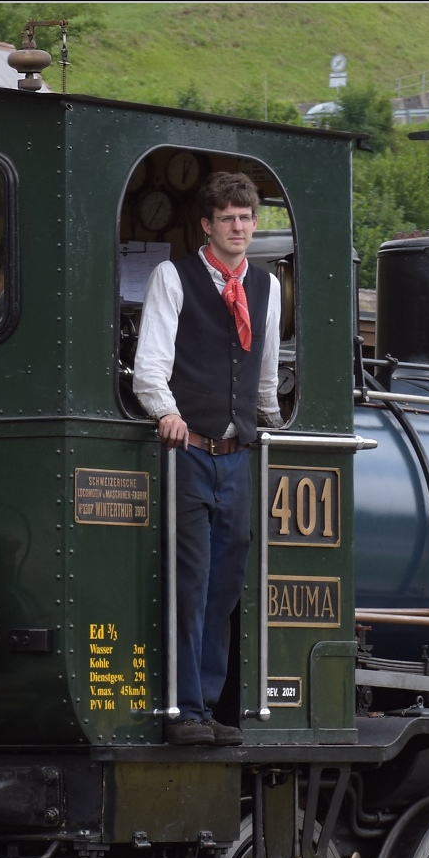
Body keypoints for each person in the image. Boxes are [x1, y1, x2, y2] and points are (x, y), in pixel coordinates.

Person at [133, 171, 282, 745]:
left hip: (236, 455)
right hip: (189, 451)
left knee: (224, 588)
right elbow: (151, 364)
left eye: (246, 219)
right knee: (191, 585)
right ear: (207, 225)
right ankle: (184, 711)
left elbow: (264, 374)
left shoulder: (265, 288)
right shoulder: (174, 277)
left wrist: (269, 417)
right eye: (227, 219)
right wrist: (165, 412)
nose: (238, 228)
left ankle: (211, 707)